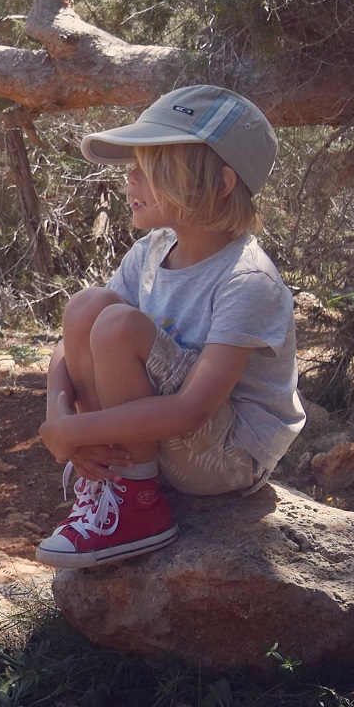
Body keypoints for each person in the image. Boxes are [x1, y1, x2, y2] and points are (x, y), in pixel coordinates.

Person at [36, 85, 305, 568]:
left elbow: (190, 411)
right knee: (87, 307)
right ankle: (113, 479)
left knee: (117, 324)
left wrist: (77, 428)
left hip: (225, 455)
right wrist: (63, 418)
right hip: (170, 438)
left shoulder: (247, 280)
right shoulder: (152, 251)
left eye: (153, 166)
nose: (131, 179)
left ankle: (138, 504)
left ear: (222, 184)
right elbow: (67, 346)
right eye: (134, 163)